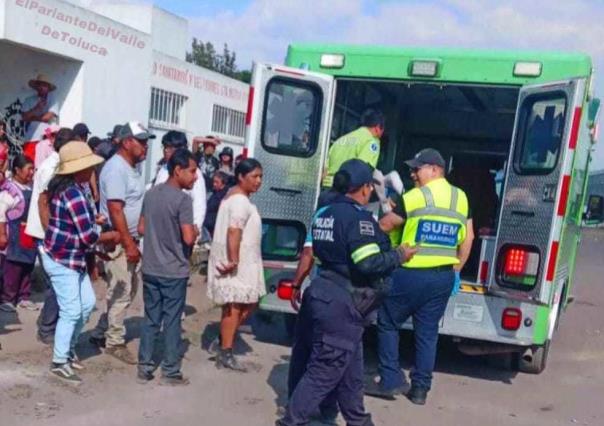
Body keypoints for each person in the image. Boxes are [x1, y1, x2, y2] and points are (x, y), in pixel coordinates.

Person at [277, 159, 416, 426]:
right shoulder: (358, 219)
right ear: (364, 188)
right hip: (343, 301)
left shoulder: (325, 213)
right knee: (325, 369)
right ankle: (291, 421)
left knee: (350, 369)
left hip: (322, 292)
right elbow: (367, 262)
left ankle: (359, 421)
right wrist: (399, 255)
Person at [366, 148, 474, 405]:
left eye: (418, 168)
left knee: (388, 321)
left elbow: (386, 225)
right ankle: (420, 390)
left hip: (410, 274)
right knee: (427, 333)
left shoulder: (414, 197)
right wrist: (457, 269)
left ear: (435, 170)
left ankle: (391, 379)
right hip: (443, 278)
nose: (413, 173)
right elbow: (468, 237)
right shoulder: (461, 198)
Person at [40, 141, 120, 382]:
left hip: (72, 257)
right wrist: (112, 236)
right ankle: (59, 360)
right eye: (88, 167)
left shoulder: (75, 189)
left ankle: (68, 350)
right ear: (78, 169)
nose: (92, 171)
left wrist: (93, 220)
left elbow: (80, 226)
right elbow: (87, 235)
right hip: (62, 258)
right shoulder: (73, 192)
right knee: (72, 310)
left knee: (86, 305)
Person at [89, 121, 155, 364]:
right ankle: (114, 341)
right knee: (122, 290)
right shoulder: (117, 169)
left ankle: (101, 332)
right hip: (118, 240)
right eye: (142, 142)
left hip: (128, 238)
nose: (146, 147)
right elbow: (116, 210)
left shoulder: (131, 168)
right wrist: (128, 244)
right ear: (127, 142)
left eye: (147, 142)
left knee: (125, 289)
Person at [137, 148, 198, 386]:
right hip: (174, 271)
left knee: (151, 318)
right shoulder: (184, 200)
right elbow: (189, 239)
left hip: (151, 267)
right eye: (192, 172)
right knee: (172, 320)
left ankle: (145, 366)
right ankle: (171, 370)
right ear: (178, 170)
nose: (195, 177)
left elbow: (141, 229)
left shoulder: (151, 194)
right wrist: (193, 229)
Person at [206, 158, 265, 371]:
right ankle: (226, 351)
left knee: (245, 303)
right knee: (235, 305)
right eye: (254, 177)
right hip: (238, 261)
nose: (258, 181)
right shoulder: (239, 200)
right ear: (241, 177)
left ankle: (223, 339)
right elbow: (234, 230)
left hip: (243, 260)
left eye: (260, 177)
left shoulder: (235, 197)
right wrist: (233, 260)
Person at [25, 127, 74, 344]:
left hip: (48, 232)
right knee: (56, 282)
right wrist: (53, 234)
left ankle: (47, 322)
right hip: (46, 233)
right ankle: (46, 328)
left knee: (55, 282)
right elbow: (45, 203)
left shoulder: (56, 165)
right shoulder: (51, 168)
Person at [0, 155, 37, 312]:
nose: (31, 173)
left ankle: (24, 296)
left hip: (28, 232)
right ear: (17, 170)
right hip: (14, 233)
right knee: (12, 266)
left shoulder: (32, 187)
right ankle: (7, 299)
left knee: (27, 265)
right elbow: (0, 213)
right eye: (28, 169)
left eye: (32, 169)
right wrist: (2, 234)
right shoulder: (9, 191)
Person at [153, 131, 206, 235]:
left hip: (182, 232)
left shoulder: (194, 173)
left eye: (169, 148)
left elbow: (199, 206)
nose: (165, 151)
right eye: (164, 148)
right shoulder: (163, 169)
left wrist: (194, 230)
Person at [322, 109, 385, 188]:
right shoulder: (371, 142)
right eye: (383, 130)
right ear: (378, 127)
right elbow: (361, 171)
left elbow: (324, 170)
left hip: (326, 187)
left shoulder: (341, 140)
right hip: (345, 190)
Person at [21, 74, 59, 161]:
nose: (42, 87)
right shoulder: (29, 100)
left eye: (44, 85)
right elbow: (24, 117)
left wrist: (32, 118)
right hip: (31, 138)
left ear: (48, 88)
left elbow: (47, 118)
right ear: (36, 86)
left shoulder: (53, 101)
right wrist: (36, 108)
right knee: (29, 162)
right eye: (40, 84)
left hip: (47, 139)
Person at [202, 171, 230, 238]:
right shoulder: (214, 193)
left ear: (223, 183)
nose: (214, 184)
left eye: (217, 182)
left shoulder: (225, 197)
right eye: (214, 182)